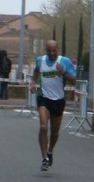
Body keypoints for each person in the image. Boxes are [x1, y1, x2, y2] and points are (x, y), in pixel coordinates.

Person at [29, 40, 76, 171]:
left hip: (58, 100)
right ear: (46, 50)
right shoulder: (40, 60)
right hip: (43, 98)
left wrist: (64, 73)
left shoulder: (64, 61)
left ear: (58, 49)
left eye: (54, 51)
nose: (51, 53)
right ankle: (44, 158)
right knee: (43, 127)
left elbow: (74, 81)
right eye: (49, 51)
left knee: (54, 133)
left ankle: (50, 151)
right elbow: (35, 72)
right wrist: (32, 83)